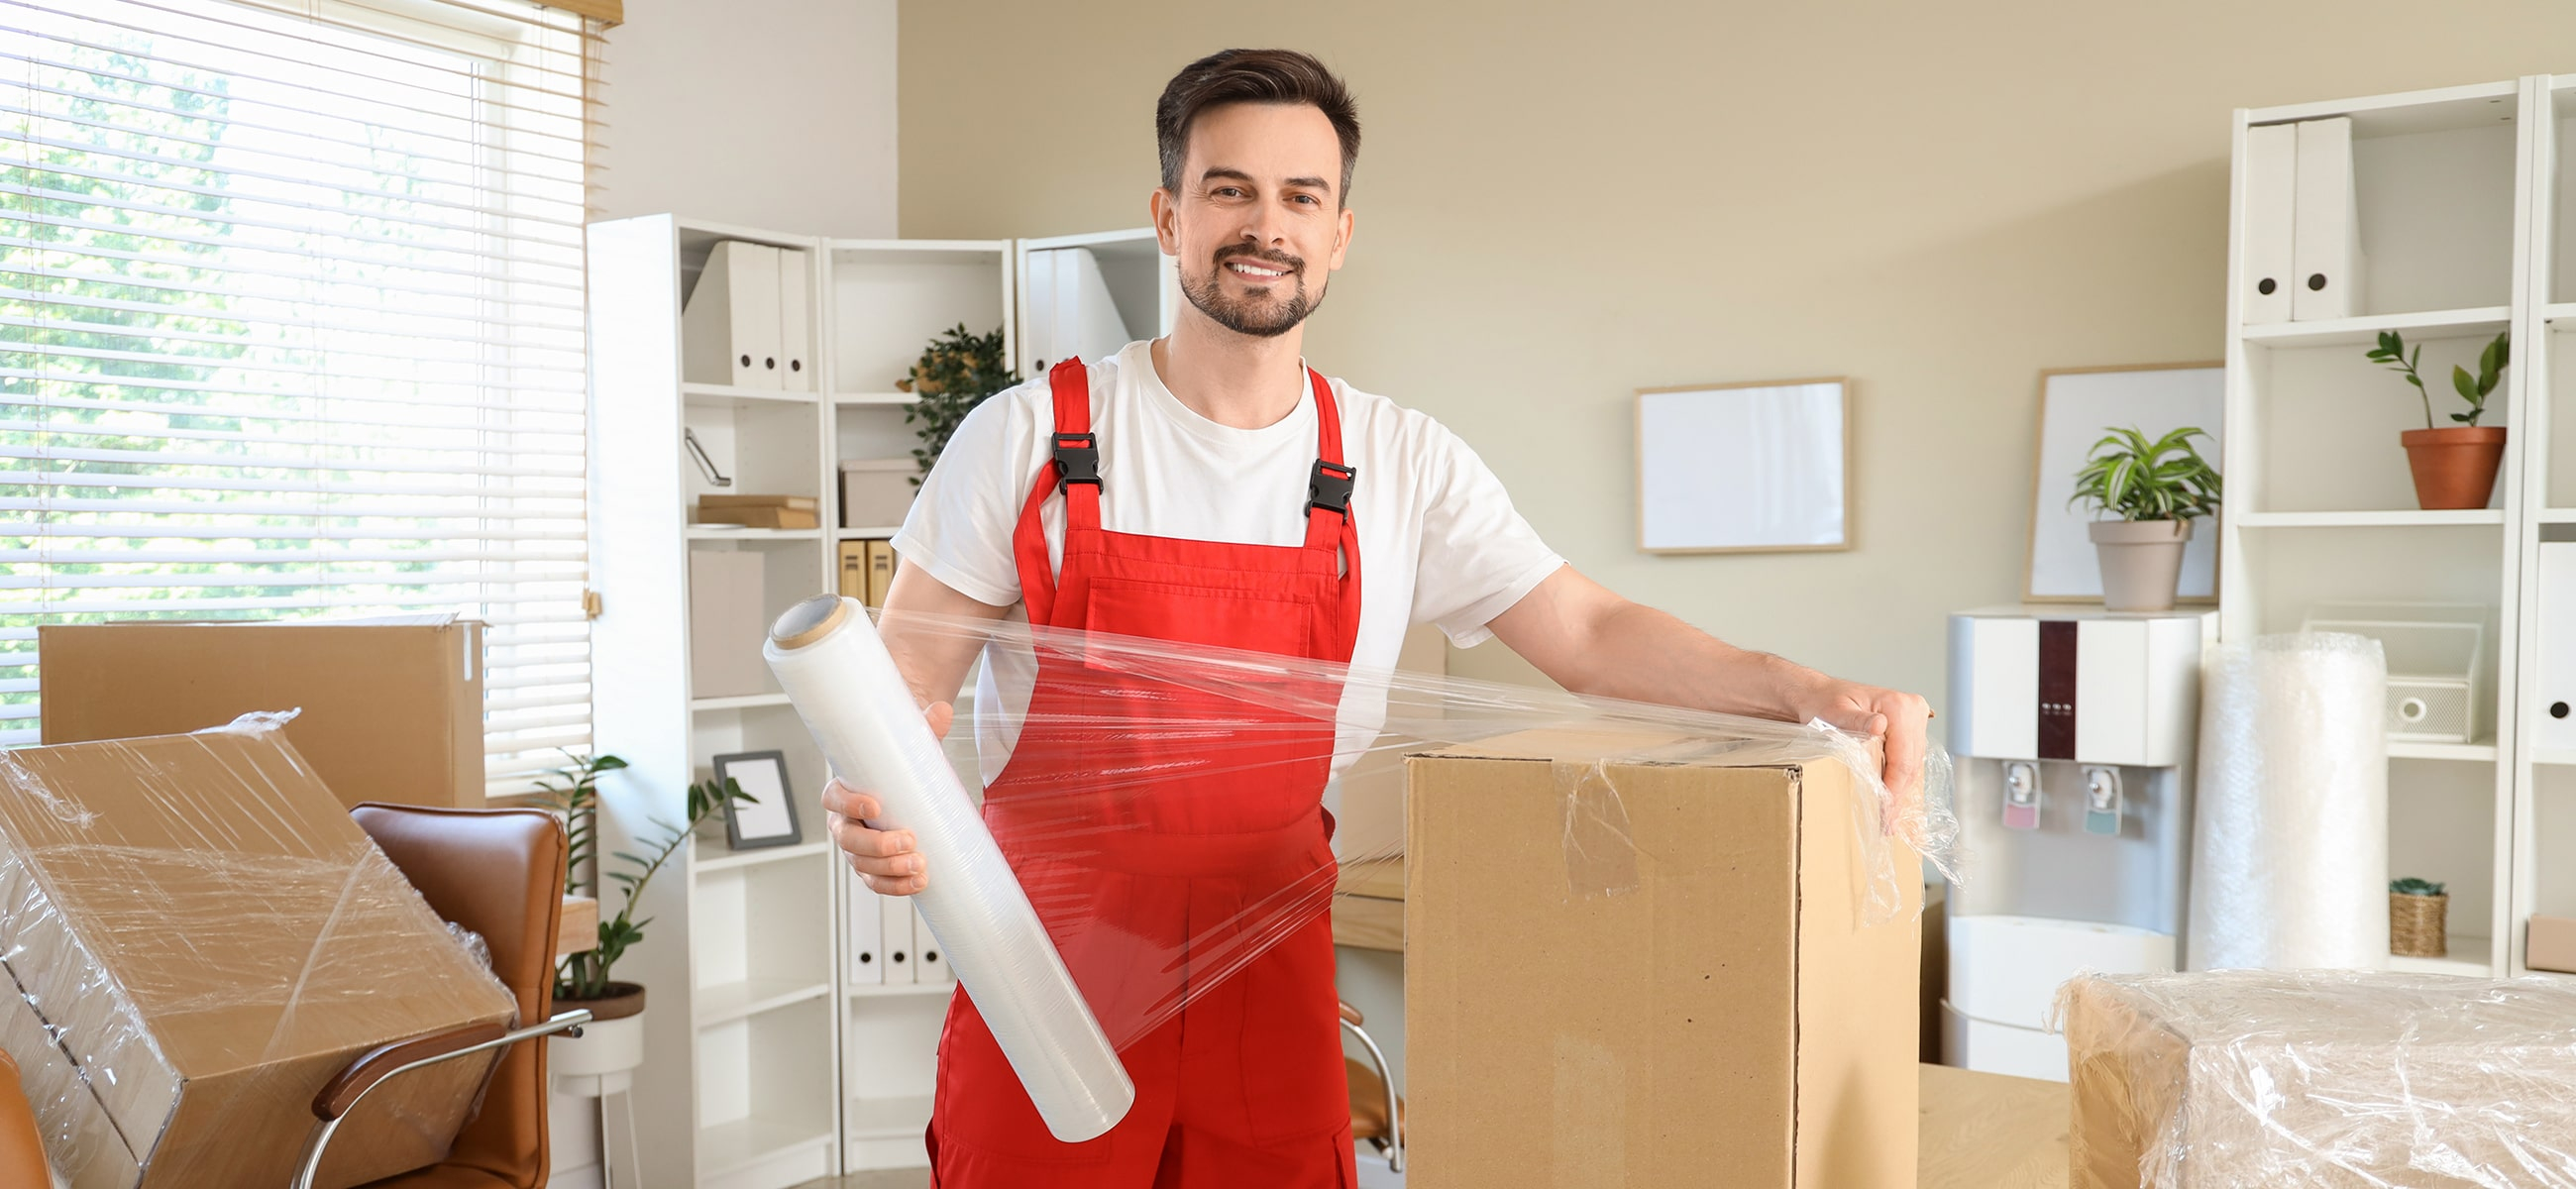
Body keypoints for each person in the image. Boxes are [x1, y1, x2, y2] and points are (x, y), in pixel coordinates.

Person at [821, 47, 1930, 1189]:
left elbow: (1589, 637)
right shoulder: (1027, 439)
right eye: (1228, 189)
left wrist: (1803, 692)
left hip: (1270, 971)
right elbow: (903, 683)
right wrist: (873, 796)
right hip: (1045, 970)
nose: (1266, 225)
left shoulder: (1398, 462)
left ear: (1339, 232)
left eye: (1301, 196)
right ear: (1167, 216)